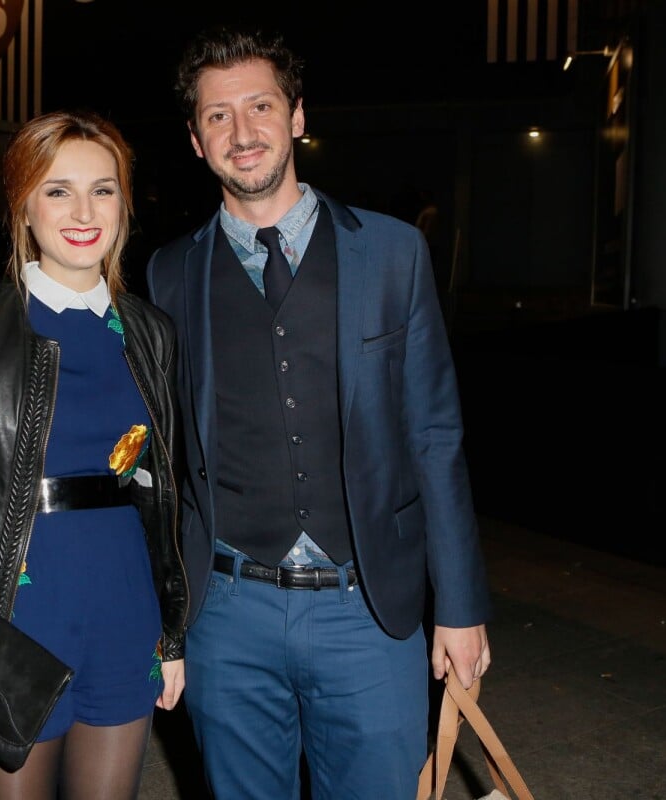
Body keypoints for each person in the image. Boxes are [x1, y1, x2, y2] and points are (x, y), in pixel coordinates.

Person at [144, 26, 492, 800]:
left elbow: (435, 436)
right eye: (217, 116)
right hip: (228, 611)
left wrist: (461, 607)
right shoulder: (169, 275)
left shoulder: (394, 254)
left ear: (297, 116)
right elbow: (162, 462)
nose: (242, 132)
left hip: (367, 607)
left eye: (260, 106)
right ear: (196, 142)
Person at [0, 109, 187, 799]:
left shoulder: (150, 332)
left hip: (124, 612)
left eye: (103, 189)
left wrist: (173, 635)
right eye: (57, 189)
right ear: (22, 203)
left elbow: (162, 491)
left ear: (125, 203)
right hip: (11, 620)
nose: (83, 210)